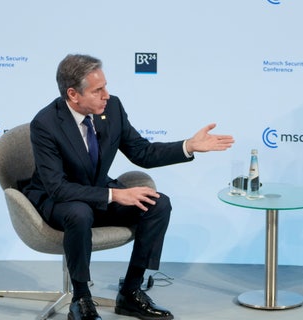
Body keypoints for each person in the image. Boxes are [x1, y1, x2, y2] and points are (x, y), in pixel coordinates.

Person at [23, 54, 234, 320]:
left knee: (157, 204)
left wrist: (188, 146)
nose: (106, 95)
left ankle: (131, 292)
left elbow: (142, 152)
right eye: (98, 90)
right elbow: (57, 188)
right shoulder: (46, 124)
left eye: (106, 86)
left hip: (97, 191)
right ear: (73, 94)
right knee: (79, 213)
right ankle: (81, 299)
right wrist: (114, 194)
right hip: (58, 199)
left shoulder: (112, 109)